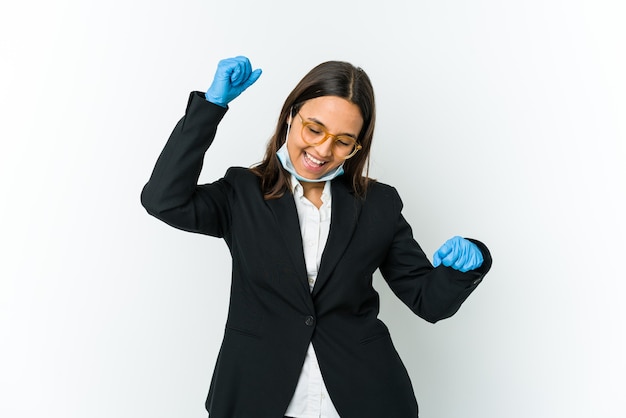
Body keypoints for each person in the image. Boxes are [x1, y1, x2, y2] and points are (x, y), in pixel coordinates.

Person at [141, 55, 492, 418]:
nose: (323, 151)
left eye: (343, 141)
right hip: (254, 396)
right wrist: (211, 106)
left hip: (365, 399)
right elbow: (163, 200)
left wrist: (468, 262)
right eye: (314, 129)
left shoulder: (379, 204)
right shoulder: (241, 193)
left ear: (358, 145)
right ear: (292, 115)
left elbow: (429, 301)